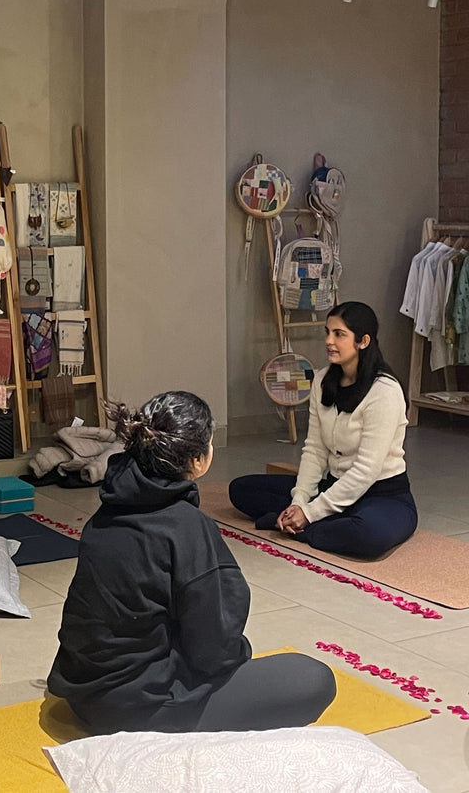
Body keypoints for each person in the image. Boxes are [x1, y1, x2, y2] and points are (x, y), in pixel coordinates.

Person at [47, 391, 335, 735]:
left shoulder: (106, 511)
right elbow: (215, 651)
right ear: (199, 461)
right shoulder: (186, 527)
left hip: (82, 698)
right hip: (137, 711)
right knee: (312, 678)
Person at [229, 301, 417, 559]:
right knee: (242, 489)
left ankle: (304, 528)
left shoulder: (384, 391)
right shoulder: (321, 379)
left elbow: (366, 471)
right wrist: (300, 501)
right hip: (332, 487)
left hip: (382, 495)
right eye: (327, 332)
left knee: (370, 536)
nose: (329, 341)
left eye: (339, 334)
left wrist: (309, 513)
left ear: (363, 341)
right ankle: (316, 521)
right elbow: (315, 449)